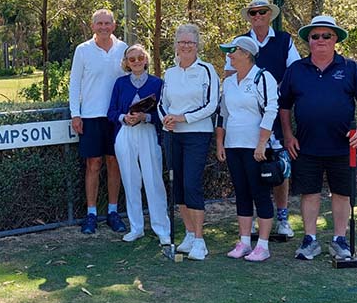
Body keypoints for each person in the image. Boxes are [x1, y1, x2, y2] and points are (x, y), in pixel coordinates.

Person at [278, 15, 357, 260]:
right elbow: (284, 106)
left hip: (343, 146)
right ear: (309, 40)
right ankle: (310, 240)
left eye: (326, 35)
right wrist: (288, 135)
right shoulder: (296, 70)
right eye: (315, 36)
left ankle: (339, 240)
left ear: (335, 39)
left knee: (342, 193)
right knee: (309, 193)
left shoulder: (353, 69)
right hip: (305, 145)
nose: (320, 40)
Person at [224, 0, 301, 237]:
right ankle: (259, 220)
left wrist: (273, 90)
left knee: (277, 166)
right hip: (246, 119)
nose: (258, 16)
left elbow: (295, 71)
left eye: (262, 12)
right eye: (253, 13)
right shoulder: (238, 43)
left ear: (270, 14)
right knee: (252, 174)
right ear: (249, 17)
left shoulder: (284, 40)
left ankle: (282, 217)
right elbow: (229, 74)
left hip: (276, 112)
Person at [158, 24, 220, 260]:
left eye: (190, 42)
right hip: (172, 134)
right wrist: (166, 119)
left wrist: (183, 118)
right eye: (182, 42)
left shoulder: (207, 70)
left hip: (197, 134)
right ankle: (190, 234)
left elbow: (211, 104)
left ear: (197, 45)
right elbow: (162, 103)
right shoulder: (170, 73)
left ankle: (200, 241)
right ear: (176, 45)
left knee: (192, 184)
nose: (185, 46)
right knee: (179, 186)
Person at [216, 36, 279, 261]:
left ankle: (263, 245)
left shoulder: (263, 77)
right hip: (233, 145)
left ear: (246, 54)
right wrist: (220, 143)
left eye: (233, 51)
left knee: (259, 193)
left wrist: (262, 143)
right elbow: (223, 114)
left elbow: (271, 110)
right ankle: (244, 242)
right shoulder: (229, 82)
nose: (229, 56)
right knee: (241, 193)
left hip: (256, 147)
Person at [69, 9, 129, 234]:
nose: (103, 27)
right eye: (99, 23)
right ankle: (91, 214)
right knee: (93, 164)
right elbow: (75, 83)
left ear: (114, 25)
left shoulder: (123, 49)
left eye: (107, 23)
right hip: (90, 116)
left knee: (114, 163)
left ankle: (113, 212)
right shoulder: (82, 50)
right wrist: (75, 114)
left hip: (116, 117)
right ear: (93, 26)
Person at [107, 44, 171, 245]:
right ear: (126, 62)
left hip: (148, 133)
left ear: (146, 60)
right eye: (131, 59)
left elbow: (163, 113)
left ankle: (162, 228)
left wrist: (146, 117)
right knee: (130, 181)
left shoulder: (157, 83)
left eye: (140, 58)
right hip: (125, 133)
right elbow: (111, 112)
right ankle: (136, 227)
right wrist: (124, 118)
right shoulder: (120, 83)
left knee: (153, 181)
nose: (136, 62)